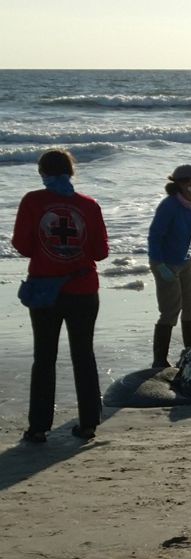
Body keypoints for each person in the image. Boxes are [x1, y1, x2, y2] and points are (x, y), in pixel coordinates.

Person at [11, 149, 110, 443]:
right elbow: (101, 252)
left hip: (45, 290)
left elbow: (23, 246)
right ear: (71, 171)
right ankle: (89, 423)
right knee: (84, 355)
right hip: (83, 289)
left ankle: (39, 428)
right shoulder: (89, 205)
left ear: (42, 172)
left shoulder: (33, 201)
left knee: (44, 357)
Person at [148, 164, 191, 368]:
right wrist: (158, 264)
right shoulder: (169, 205)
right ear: (184, 184)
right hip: (165, 262)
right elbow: (155, 235)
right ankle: (159, 360)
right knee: (170, 310)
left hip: (184, 261)